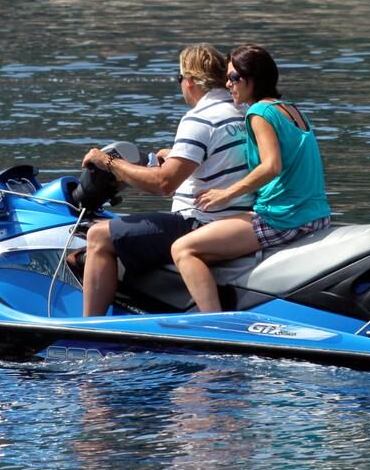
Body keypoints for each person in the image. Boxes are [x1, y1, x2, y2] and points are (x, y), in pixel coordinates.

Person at [76, 44, 252, 317]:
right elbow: (223, 161)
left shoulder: (200, 118)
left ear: (191, 81)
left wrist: (109, 163)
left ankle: (89, 329)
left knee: (98, 235)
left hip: (201, 222)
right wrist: (174, 157)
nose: (181, 84)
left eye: (179, 78)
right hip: (238, 219)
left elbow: (163, 184)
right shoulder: (241, 112)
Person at [170, 45, 330, 313]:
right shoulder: (289, 109)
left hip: (282, 217)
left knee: (184, 249)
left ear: (251, 79)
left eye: (233, 78)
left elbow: (271, 166)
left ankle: (214, 323)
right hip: (316, 214)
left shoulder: (258, 114)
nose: (228, 84)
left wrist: (226, 194)